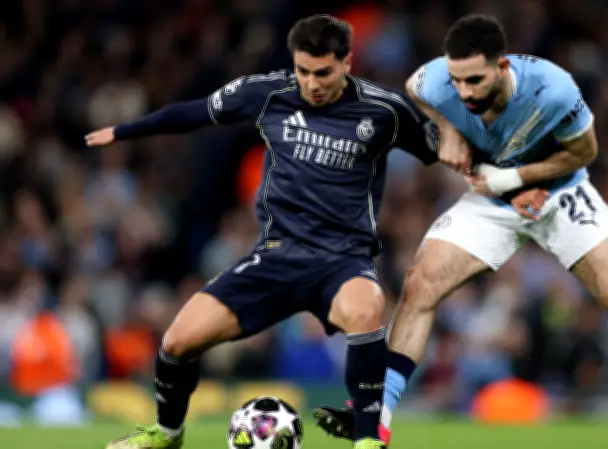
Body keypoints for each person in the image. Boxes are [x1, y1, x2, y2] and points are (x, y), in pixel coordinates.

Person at [313, 14, 608, 449]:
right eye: (457, 81)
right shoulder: (438, 81)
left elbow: (584, 151)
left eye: (475, 80)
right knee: (420, 284)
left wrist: (515, 179)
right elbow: (416, 86)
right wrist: (449, 130)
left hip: (561, 194)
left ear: (502, 67)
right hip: (493, 200)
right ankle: (376, 422)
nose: (464, 92)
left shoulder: (553, 88)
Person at [88, 14, 441, 449]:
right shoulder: (268, 93)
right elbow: (196, 111)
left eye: (323, 73)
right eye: (303, 71)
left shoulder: (384, 109)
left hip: (342, 260)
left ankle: (369, 440)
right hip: (276, 256)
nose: (311, 83)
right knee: (177, 341)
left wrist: (493, 165)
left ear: (347, 63)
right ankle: (167, 433)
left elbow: (440, 149)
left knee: (367, 306)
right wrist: (123, 131)